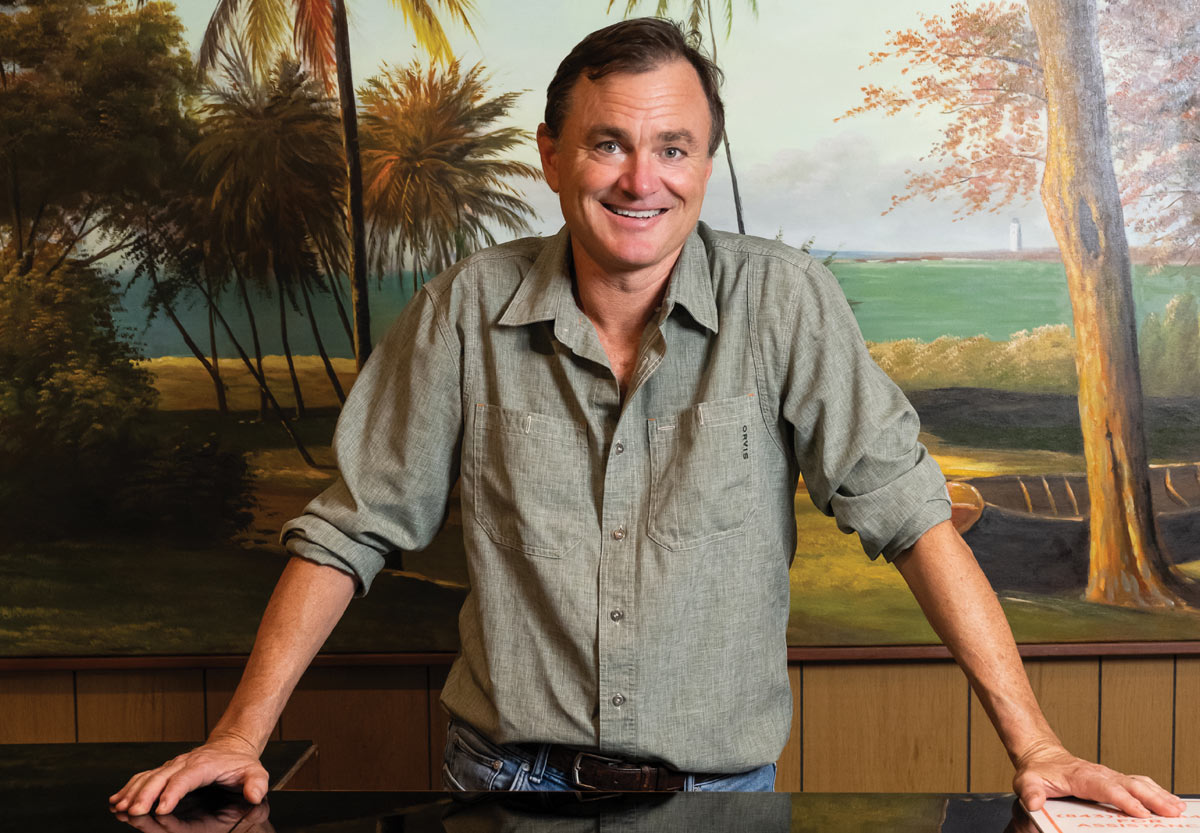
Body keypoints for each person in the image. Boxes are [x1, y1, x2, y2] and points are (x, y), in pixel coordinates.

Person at [112, 17, 1184, 814]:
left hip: (725, 800)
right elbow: (350, 529)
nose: (642, 178)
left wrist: (1036, 744)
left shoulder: (783, 301)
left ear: (706, 164)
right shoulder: (462, 309)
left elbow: (912, 518)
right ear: (550, 155)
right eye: (608, 143)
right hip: (500, 792)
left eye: (673, 147)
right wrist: (237, 732)